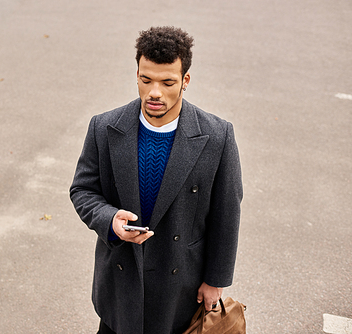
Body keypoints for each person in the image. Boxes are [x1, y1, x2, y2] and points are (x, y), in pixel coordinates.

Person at [69, 26, 243, 334]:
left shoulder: (217, 135)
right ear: (136, 73)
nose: (155, 92)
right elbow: (83, 190)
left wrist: (215, 280)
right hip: (121, 283)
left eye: (167, 82)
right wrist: (110, 221)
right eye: (145, 79)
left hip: (182, 287)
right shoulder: (104, 127)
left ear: (185, 80)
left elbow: (226, 212)